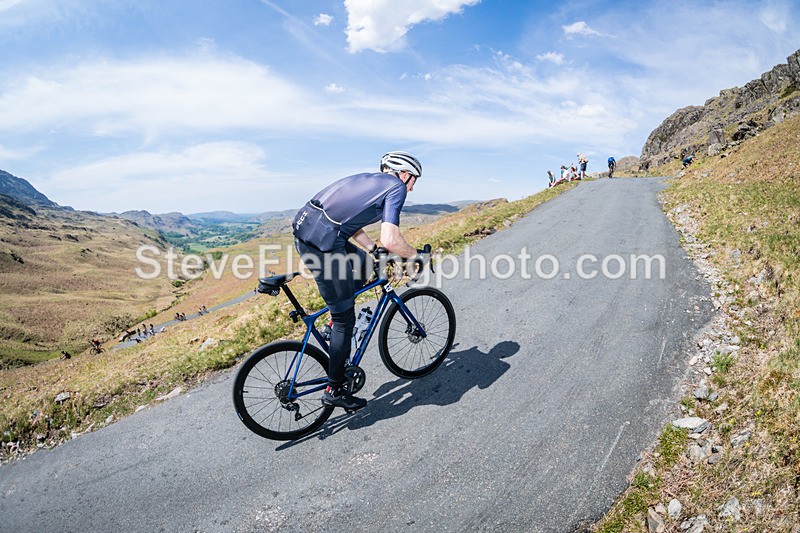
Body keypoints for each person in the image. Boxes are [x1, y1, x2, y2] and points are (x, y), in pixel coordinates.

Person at [292, 151, 424, 412]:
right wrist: (416, 256)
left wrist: (373, 250)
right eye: (414, 182)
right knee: (345, 319)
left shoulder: (369, 181)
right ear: (405, 174)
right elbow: (392, 240)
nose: (412, 188)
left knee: (364, 263)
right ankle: (335, 389)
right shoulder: (396, 187)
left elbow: (349, 223)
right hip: (323, 245)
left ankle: (335, 319)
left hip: (311, 231)